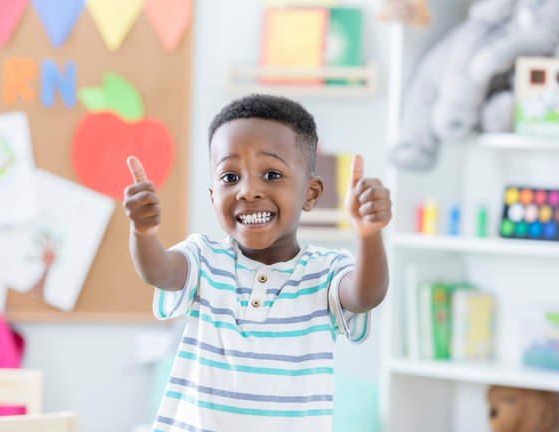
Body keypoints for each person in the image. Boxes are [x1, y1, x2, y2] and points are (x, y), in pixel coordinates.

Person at [124, 94, 391, 431]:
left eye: (272, 174)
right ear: (212, 196)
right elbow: (159, 272)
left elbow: (366, 295)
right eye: (230, 178)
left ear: (311, 193)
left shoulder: (325, 270)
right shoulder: (203, 258)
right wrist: (143, 233)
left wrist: (369, 235)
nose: (248, 191)